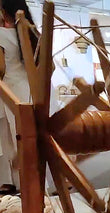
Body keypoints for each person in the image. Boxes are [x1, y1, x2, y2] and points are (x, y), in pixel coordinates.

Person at [0, 0, 38, 195]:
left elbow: (0, 69)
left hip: (10, 92)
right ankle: (36, 184)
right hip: (30, 90)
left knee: (14, 140)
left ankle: (19, 186)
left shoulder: (2, 35)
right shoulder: (30, 34)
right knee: (32, 138)